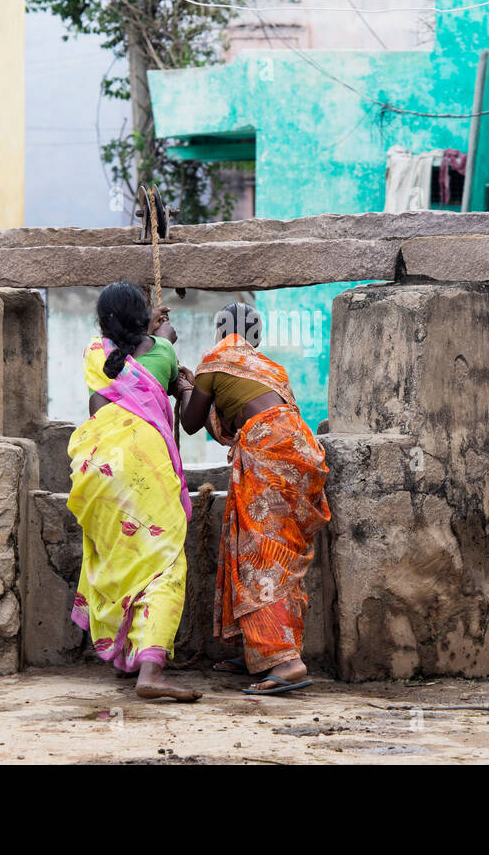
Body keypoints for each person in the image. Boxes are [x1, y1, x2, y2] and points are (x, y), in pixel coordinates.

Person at [173, 302, 330, 695]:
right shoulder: (272, 369)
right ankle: (259, 650)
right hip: (298, 450)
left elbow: (193, 423)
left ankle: (287, 662)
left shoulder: (215, 358)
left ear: (219, 331)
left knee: (262, 559)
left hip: (266, 450)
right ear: (257, 337)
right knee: (278, 551)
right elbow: (244, 410)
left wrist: (185, 387)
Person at [66, 281, 201, 701]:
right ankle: (151, 671)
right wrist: (161, 337)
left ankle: (129, 649)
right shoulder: (164, 353)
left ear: (102, 322)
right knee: (163, 562)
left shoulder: (94, 353)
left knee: (119, 556)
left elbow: (112, 380)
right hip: (145, 471)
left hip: (98, 468)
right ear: (145, 319)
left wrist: (148, 329)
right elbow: (158, 360)